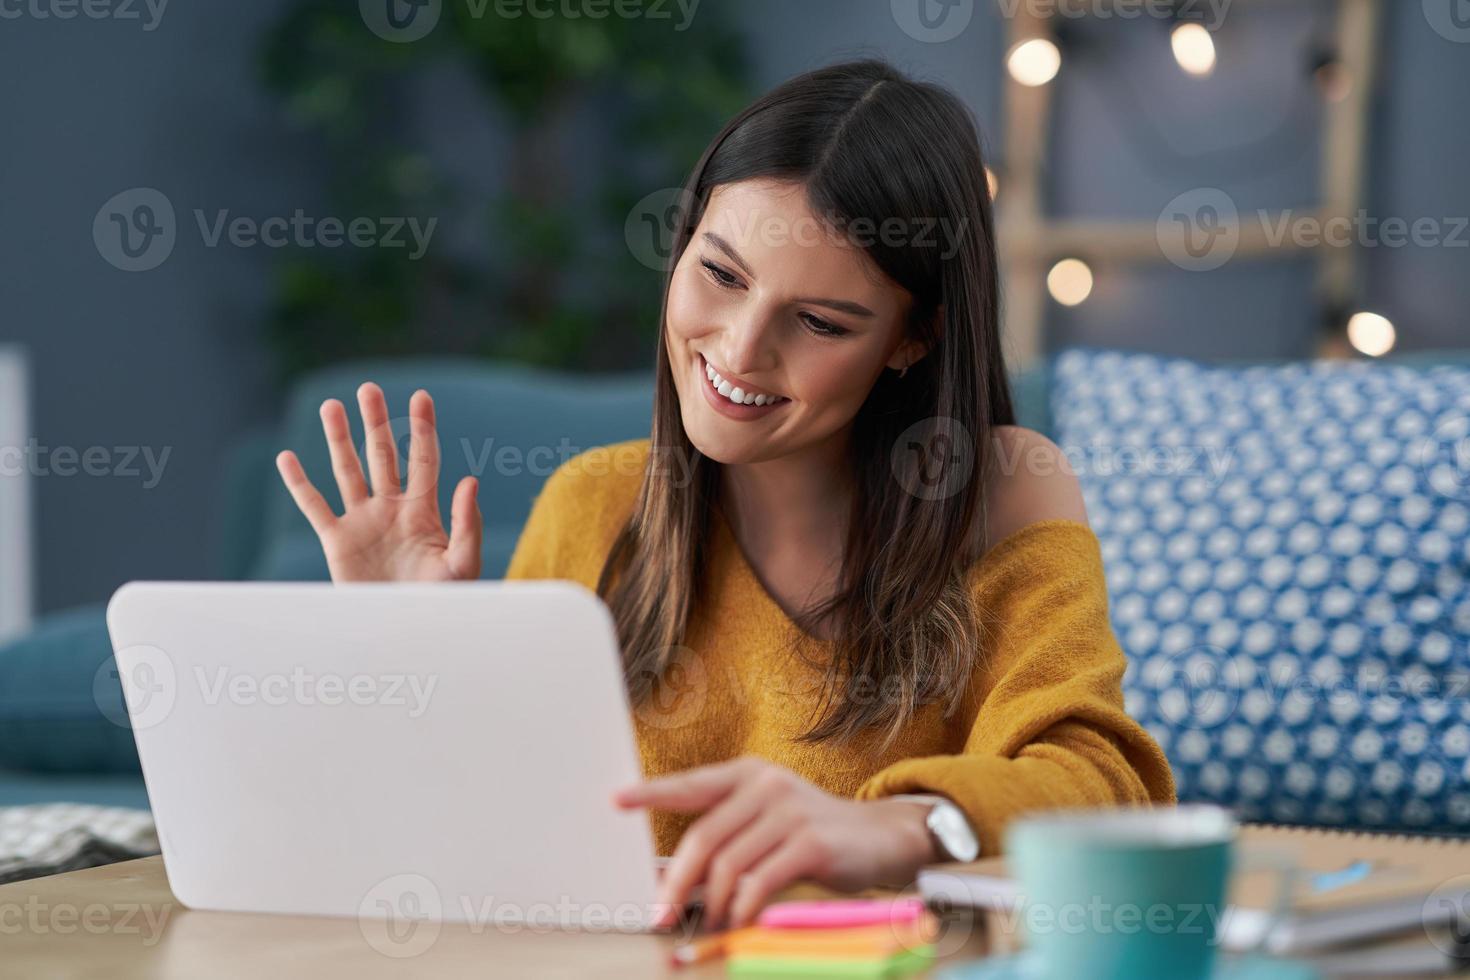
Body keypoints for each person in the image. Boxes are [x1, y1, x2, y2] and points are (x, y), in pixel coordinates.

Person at [275, 58, 1175, 930]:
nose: (742, 351)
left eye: (820, 322)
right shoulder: (591, 504)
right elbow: (493, 849)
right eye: (720, 274)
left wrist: (905, 824)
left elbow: (1101, 781)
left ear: (913, 340)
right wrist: (412, 667)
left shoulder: (1001, 491)